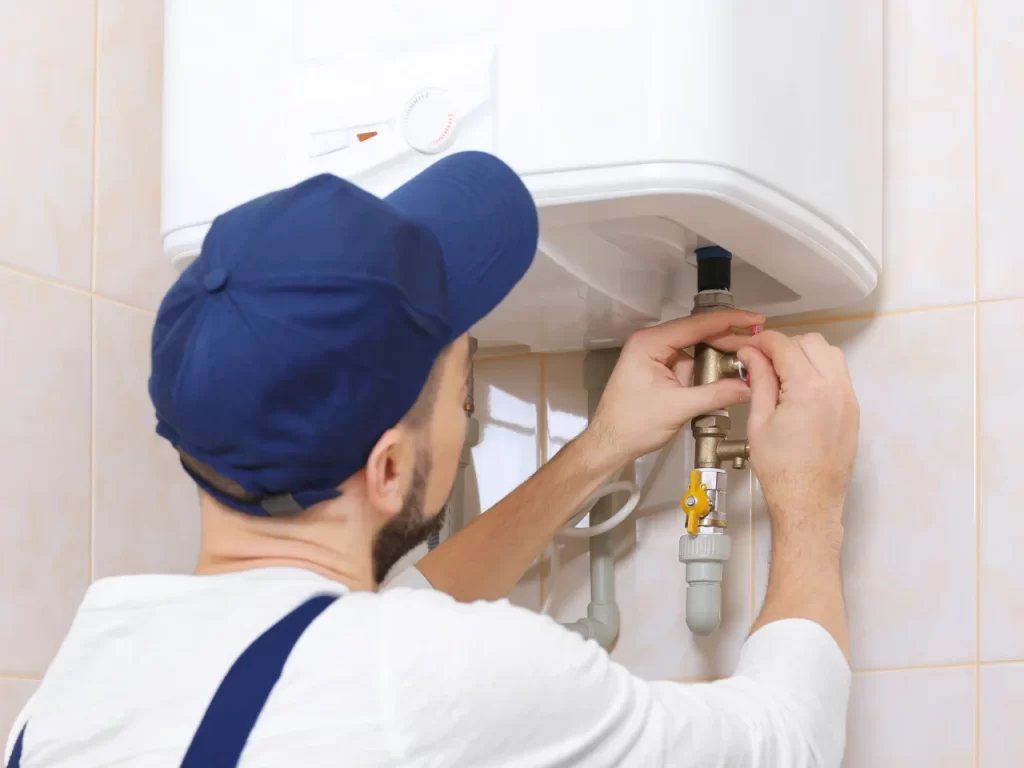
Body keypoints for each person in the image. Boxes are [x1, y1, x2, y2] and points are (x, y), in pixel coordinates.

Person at [4, 151, 859, 767]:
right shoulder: (433, 683)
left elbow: (364, 633)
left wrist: (601, 448)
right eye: (462, 380)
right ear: (384, 469)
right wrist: (810, 501)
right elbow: (786, 745)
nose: (464, 405)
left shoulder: (77, 692)